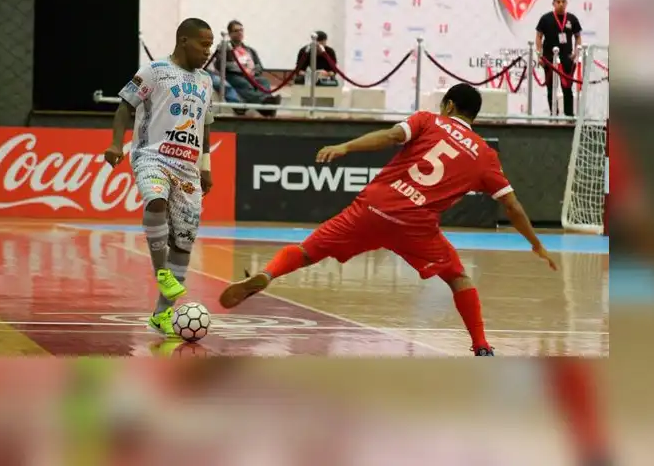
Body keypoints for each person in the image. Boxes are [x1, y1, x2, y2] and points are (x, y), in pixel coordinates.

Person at [218, 83, 558, 356]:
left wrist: (347, 147)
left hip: (373, 208)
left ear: (449, 106)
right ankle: (481, 345)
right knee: (458, 278)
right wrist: (536, 243)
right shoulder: (486, 155)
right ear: (474, 116)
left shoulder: (428, 120)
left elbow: (393, 136)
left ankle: (267, 274)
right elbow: (512, 206)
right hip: (416, 225)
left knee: (307, 252)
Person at [103, 17, 216, 337]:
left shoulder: (207, 81)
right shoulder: (154, 70)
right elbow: (125, 105)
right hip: (152, 155)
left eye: (210, 45)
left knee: (183, 242)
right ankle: (161, 272)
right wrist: (115, 142)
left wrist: (205, 166)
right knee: (154, 200)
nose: (207, 50)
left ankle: (161, 314)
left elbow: (206, 126)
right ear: (183, 40)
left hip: (188, 168)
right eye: (203, 44)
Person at [210, 20, 281, 117]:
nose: (239, 33)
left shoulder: (249, 50)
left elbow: (259, 66)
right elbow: (220, 65)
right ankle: (265, 104)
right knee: (243, 83)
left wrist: (253, 72)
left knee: (264, 81)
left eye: (241, 30)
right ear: (230, 34)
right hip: (234, 76)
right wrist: (240, 70)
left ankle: (267, 105)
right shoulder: (225, 49)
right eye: (236, 31)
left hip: (252, 76)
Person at [535, 0, 583, 117]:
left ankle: (569, 116)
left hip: (566, 58)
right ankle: (553, 114)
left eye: (563, 2)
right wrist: (539, 55)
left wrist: (575, 53)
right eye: (558, 2)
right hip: (549, 58)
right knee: (551, 88)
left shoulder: (572, 19)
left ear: (566, 3)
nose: (561, 4)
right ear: (553, 3)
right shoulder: (545, 19)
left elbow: (578, 37)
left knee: (567, 88)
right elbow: (539, 36)